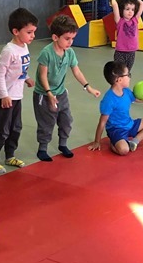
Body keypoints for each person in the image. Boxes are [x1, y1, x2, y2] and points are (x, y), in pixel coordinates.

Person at [32, 14, 101, 162]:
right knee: (47, 122)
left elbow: (77, 71)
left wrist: (88, 87)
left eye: (72, 38)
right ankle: (42, 148)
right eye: (67, 38)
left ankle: (62, 144)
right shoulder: (46, 53)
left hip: (61, 93)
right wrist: (49, 93)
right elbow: (42, 75)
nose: (70, 42)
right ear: (55, 37)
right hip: (44, 95)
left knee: (66, 120)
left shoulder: (69, 52)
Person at [0, 8, 37, 174]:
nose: (33, 36)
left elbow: (20, 68)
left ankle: (10, 156)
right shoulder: (9, 51)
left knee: (16, 128)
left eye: (33, 32)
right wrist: (4, 95)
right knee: (2, 130)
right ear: (16, 31)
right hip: (4, 98)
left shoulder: (24, 46)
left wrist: (26, 77)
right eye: (29, 32)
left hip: (16, 96)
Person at [88, 60, 143, 155]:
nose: (129, 77)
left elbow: (136, 99)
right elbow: (102, 122)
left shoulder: (126, 91)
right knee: (124, 150)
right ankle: (113, 143)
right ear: (119, 80)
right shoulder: (109, 100)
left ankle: (134, 141)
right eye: (128, 75)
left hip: (129, 124)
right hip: (116, 130)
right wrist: (97, 142)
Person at [110, 0, 143, 72]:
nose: (130, 12)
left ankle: (126, 81)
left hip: (131, 52)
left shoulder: (135, 20)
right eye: (127, 9)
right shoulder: (119, 21)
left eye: (132, 9)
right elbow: (115, 6)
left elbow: (142, 4)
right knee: (120, 71)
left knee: (127, 71)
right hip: (120, 52)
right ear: (122, 10)